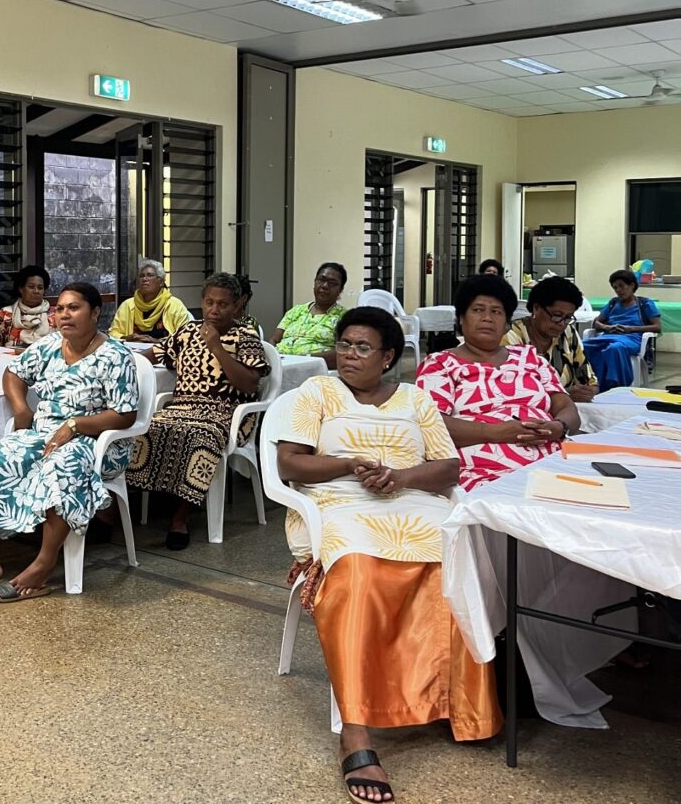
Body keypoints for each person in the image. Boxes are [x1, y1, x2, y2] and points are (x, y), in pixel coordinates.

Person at [277, 307, 500, 801]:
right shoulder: (317, 392)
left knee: (452, 560)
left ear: (389, 357)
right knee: (358, 569)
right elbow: (289, 463)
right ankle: (355, 731)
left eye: (362, 348)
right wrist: (350, 465)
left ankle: (455, 704)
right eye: (344, 345)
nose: (348, 355)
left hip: (409, 496)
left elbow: (447, 468)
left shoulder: (416, 400)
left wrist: (398, 477)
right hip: (337, 501)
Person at [0, 283, 139, 601]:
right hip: (45, 436)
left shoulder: (116, 356)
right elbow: (14, 372)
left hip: (99, 442)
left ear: (94, 313)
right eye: (60, 308)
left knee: (63, 465)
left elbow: (125, 415)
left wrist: (75, 426)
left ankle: (43, 564)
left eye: (74, 308)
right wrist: (21, 408)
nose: (64, 314)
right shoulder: (50, 345)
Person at [127, 273, 269, 549]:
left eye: (223, 304)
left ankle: (179, 518)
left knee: (199, 436)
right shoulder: (187, 331)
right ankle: (121, 514)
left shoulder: (246, 335)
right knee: (141, 429)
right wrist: (126, 362)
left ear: (237, 306)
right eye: (209, 302)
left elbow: (250, 384)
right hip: (181, 406)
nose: (214, 310)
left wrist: (216, 346)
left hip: (226, 412)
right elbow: (154, 354)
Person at [416, 274, 579, 492]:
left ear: (506, 325)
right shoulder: (440, 364)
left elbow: (566, 406)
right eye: (477, 310)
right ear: (461, 319)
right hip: (482, 465)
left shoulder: (530, 358)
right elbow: (432, 425)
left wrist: (558, 427)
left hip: (552, 456)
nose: (487, 318)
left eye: (496, 312)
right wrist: (495, 432)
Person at [502, 276, 597, 403]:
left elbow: (590, 381)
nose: (562, 323)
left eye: (568, 317)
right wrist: (564, 395)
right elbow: (511, 389)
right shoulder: (511, 336)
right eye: (557, 316)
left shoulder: (568, 333)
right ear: (536, 308)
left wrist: (588, 391)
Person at [585, 269, 661, 391]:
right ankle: (589, 380)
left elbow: (657, 327)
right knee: (582, 346)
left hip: (632, 338)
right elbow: (596, 322)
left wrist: (631, 329)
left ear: (632, 285)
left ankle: (614, 385)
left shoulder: (644, 304)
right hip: (610, 336)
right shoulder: (613, 303)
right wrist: (607, 327)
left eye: (621, 286)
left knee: (614, 348)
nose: (618, 290)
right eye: (615, 288)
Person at [270, 262, 346, 368]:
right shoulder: (296, 311)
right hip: (280, 365)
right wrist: (273, 358)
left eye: (332, 283)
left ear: (340, 290)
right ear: (315, 282)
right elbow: (274, 340)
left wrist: (306, 359)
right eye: (321, 280)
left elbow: (342, 352)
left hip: (313, 369)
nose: (325, 286)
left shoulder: (344, 318)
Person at [108, 259, 190, 343]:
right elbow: (113, 333)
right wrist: (127, 338)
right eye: (141, 276)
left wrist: (156, 341)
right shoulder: (127, 305)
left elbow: (185, 336)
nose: (144, 279)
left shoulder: (174, 305)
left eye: (150, 275)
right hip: (133, 352)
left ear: (161, 282)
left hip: (163, 353)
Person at [0, 265, 53, 348]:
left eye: (40, 288)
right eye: (31, 287)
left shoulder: (54, 314)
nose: (36, 291)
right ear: (21, 289)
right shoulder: (5, 314)